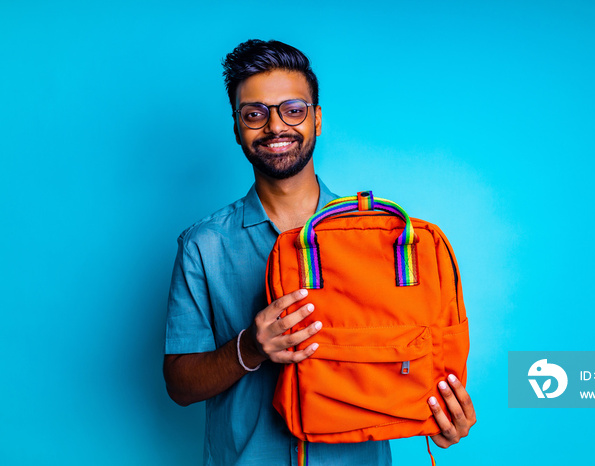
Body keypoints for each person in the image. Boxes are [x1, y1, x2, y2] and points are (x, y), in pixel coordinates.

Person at [163, 39, 476, 466]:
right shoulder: (203, 245)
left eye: (293, 110)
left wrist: (439, 414)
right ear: (237, 127)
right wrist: (251, 348)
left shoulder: (383, 239)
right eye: (255, 114)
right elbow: (179, 385)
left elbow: (409, 361)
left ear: (317, 119)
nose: (275, 127)